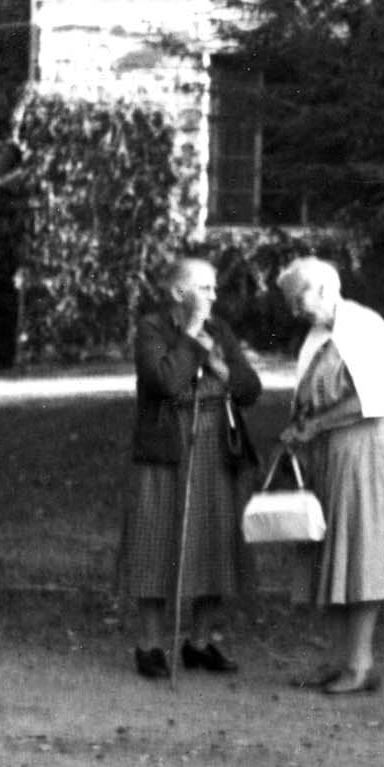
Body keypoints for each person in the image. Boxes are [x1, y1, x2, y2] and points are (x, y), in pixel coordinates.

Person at [276, 256, 384, 695]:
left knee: (361, 555)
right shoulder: (319, 335)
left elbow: (370, 400)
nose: (293, 310)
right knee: (331, 556)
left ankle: (360, 664)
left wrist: (315, 425)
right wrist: (299, 427)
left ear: (323, 288)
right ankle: (340, 659)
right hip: (331, 454)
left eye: (297, 299)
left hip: (366, 453)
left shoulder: (363, 327)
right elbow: (312, 397)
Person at [118, 256, 261, 680]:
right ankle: (149, 646)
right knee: (155, 542)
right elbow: (165, 382)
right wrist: (195, 336)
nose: (214, 296)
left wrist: (221, 368)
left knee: (215, 542)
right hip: (167, 447)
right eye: (205, 288)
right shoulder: (151, 329)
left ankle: (199, 643)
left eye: (215, 288)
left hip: (216, 447)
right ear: (179, 292)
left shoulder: (222, 331)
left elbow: (250, 389)